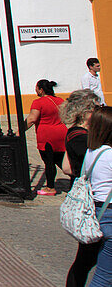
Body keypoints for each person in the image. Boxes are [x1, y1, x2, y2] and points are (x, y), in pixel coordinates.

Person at [61, 90, 102, 287]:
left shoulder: (78, 134)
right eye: (96, 108)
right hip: (91, 201)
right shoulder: (79, 136)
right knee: (86, 259)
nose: (99, 112)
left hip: (92, 198)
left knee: (87, 259)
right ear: (84, 111)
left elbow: (66, 167)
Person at [79, 106, 112, 286]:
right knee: (104, 276)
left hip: (96, 212)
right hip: (110, 215)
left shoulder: (92, 152)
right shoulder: (110, 155)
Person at [22, 79, 67, 195]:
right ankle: (75, 181)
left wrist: (19, 131)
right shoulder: (60, 100)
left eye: (36, 88)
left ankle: (50, 187)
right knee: (61, 160)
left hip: (47, 136)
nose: (35, 90)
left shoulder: (38, 102)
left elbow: (32, 119)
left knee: (49, 161)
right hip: (62, 133)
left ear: (41, 90)